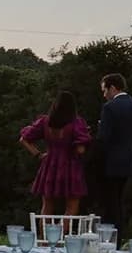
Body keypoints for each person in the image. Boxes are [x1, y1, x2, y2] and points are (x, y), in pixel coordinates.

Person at [19, 90, 91, 218]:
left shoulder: (45, 122)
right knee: (71, 208)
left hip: (49, 164)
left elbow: (24, 139)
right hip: (70, 166)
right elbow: (80, 150)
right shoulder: (76, 122)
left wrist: (38, 155)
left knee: (46, 208)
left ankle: (44, 237)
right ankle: (64, 236)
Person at [95, 72, 132, 231]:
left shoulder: (110, 107)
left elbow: (103, 138)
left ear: (112, 88)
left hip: (111, 162)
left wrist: (100, 127)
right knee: (120, 201)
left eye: (104, 90)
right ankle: (120, 234)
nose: (104, 95)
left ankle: (110, 238)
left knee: (109, 203)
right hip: (129, 160)